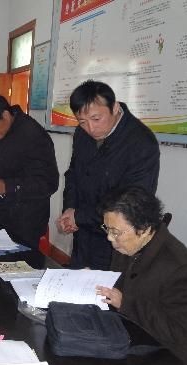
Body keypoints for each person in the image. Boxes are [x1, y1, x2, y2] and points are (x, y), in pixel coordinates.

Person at [95, 186, 187, 365]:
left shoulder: (182, 269)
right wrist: (95, 278)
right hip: (127, 339)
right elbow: (119, 285)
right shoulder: (127, 245)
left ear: (144, 229)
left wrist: (125, 303)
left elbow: (177, 333)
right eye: (107, 229)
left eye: (115, 232)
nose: (110, 238)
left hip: (166, 361)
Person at [56, 80, 160, 270]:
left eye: (96, 119)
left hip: (117, 241)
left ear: (115, 107)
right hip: (83, 234)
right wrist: (70, 209)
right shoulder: (82, 134)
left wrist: (79, 216)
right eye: (82, 121)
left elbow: (132, 202)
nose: (90, 128)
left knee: (106, 287)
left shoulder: (141, 142)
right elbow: (73, 174)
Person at [0, 94, 59, 248]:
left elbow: (48, 182)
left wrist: (8, 186)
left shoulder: (32, 135)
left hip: (24, 222)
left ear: (5, 115)